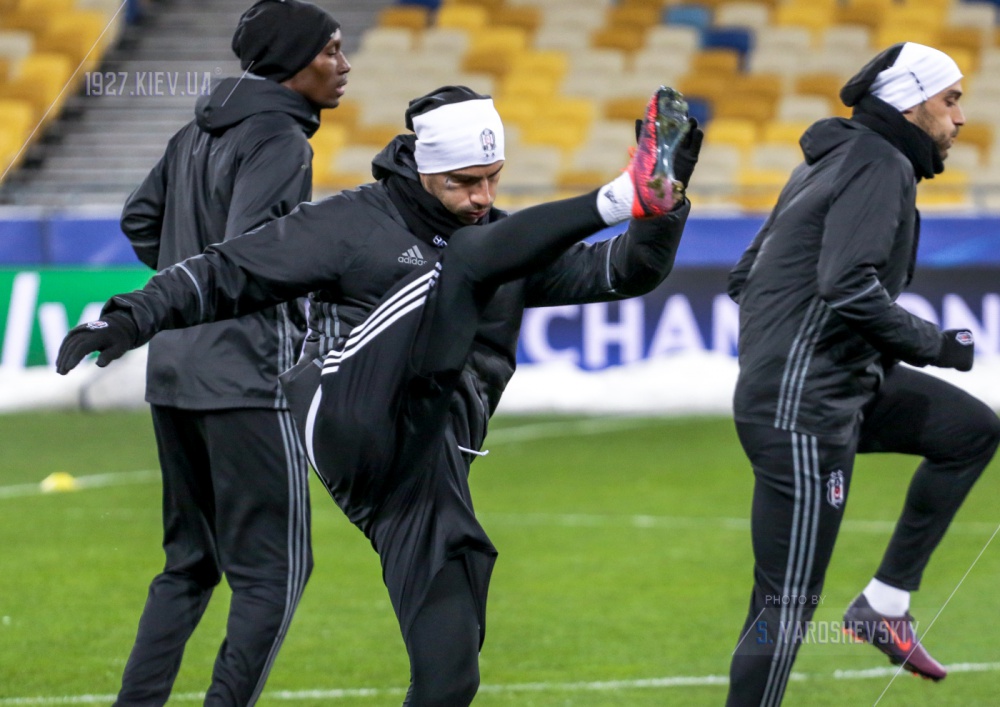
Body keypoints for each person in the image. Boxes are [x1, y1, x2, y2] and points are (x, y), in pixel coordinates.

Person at [57, 84, 701, 705]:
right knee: (464, 262)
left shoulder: (503, 242)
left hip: (423, 466)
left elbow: (627, 270)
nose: (482, 197)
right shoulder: (353, 224)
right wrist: (129, 317)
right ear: (424, 169)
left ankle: (641, 193)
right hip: (348, 414)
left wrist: (666, 205)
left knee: (451, 677)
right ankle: (619, 194)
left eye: (493, 178)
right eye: (464, 182)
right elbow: (230, 270)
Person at [724, 42, 1000, 706]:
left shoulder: (831, 162)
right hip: (802, 406)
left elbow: (744, 276)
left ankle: (884, 603)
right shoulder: (879, 164)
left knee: (970, 430)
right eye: (950, 100)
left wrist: (797, 353)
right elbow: (847, 284)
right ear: (910, 102)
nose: (961, 117)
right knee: (784, 606)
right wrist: (938, 345)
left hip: (828, 385)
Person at [109, 1, 349, 704]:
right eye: (331, 50)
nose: (344, 65)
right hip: (247, 374)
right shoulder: (281, 138)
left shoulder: (196, 129)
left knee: (188, 564)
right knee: (275, 572)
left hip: (173, 371)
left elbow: (139, 218)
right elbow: (254, 253)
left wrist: (183, 293)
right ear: (293, 62)